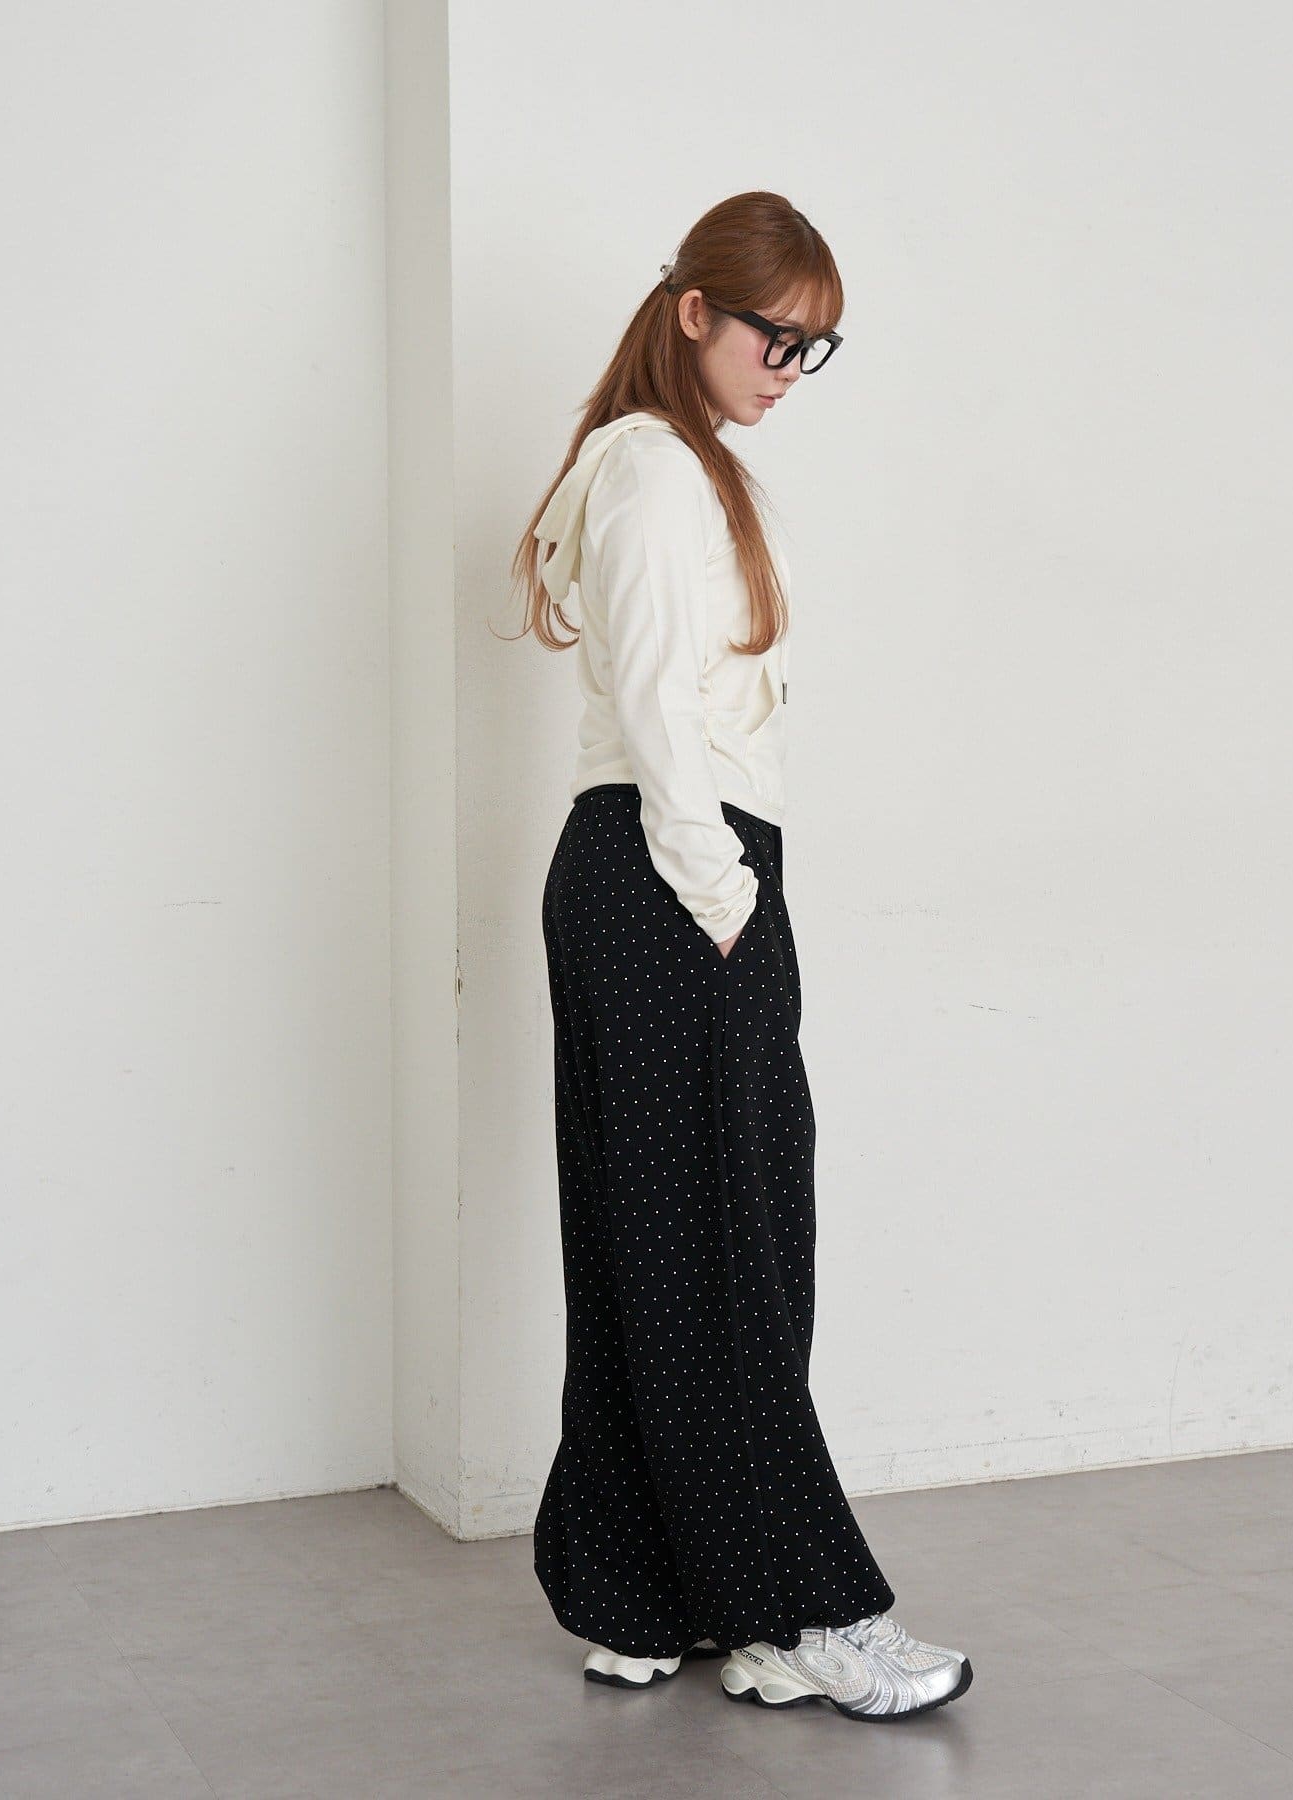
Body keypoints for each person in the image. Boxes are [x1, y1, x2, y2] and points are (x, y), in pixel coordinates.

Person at [505, 191, 973, 1723]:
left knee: (663, 1249)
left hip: (642, 873)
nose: (790, 368)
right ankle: (813, 1611)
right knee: (731, 1252)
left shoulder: (654, 461)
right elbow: (657, 708)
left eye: (813, 347)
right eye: (777, 335)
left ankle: (654, 1592)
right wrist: (724, 896)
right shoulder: (653, 469)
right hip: (673, 869)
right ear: (696, 310)